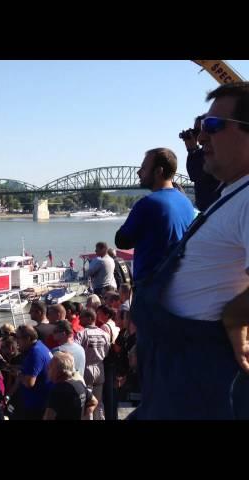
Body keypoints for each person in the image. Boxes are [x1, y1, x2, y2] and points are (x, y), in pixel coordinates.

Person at [132, 82, 249, 419]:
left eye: (213, 126)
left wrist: (237, 315)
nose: (201, 137)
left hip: (199, 379)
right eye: (201, 125)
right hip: (175, 367)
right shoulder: (232, 193)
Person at [115, 147, 194, 285]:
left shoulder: (148, 203)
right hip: (178, 283)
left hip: (150, 287)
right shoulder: (186, 203)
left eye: (144, 168)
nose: (138, 172)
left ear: (159, 171)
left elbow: (121, 241)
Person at [9, 324, 53, 420]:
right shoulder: (40, 346)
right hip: (41, 401)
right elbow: (32, 368)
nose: (16, 342)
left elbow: (29, 383)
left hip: (37, 405)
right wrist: (9, 367)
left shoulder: (35, 353)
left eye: (18, 338)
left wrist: (18, 374)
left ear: (28, 338)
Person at [75, 308, 110, 420]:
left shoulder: (81, 334)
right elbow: (107, 351)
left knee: (88, 403)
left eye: (82, 317)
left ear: (90, 318)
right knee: (99, 402)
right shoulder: (104, 334)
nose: (79, 319)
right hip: (100, 368)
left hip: (86, 369)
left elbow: (76, 351)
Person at [183, 113, 223, 211]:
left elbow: (196, 173)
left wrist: (192, 151)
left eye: (206, 129)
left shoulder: (218, 153)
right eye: (197, 132)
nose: (200, 137)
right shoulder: (201, 154)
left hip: (214, 208)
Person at [43, 352, 98, 420]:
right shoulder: (79, 384)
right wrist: (83, 416)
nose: (47, 368)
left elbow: (48, 417)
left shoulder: (58, 390)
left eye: (50, 366)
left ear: (60, 372)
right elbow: (94, 402)